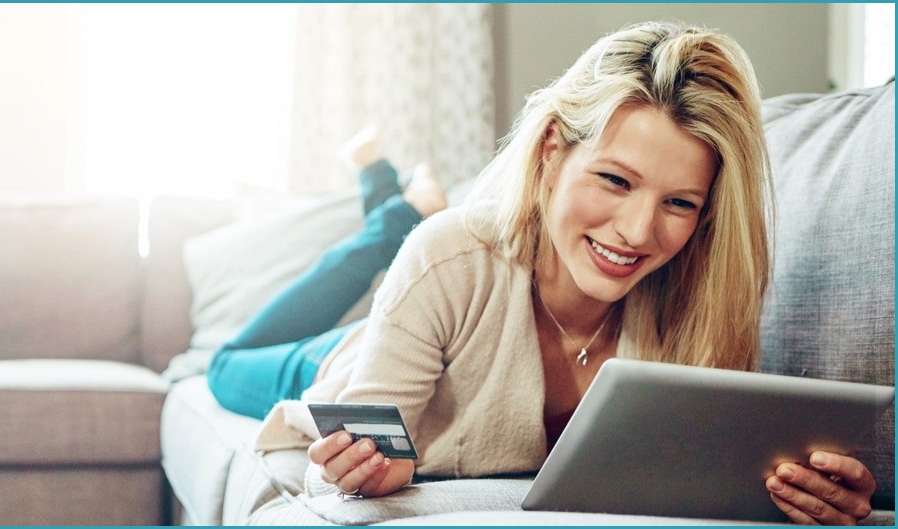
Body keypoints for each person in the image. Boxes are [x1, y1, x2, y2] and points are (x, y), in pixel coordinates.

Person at [240, 22, 877, 526]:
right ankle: (391, 212)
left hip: (432, 308)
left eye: (678, 203)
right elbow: (327, 480)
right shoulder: (447, 258)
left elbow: (718, 482)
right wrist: (354, 470)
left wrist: (806, 495)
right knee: (220, 362)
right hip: (334, 359)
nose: (636, 230)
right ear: (552, 151)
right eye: (615, 180)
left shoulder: (698, 303)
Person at [206, 125, 447, 419]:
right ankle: (394, 205)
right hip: (372, 351)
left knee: (222, 365)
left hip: (359, 361)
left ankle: (399, 210)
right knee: (228, 362)